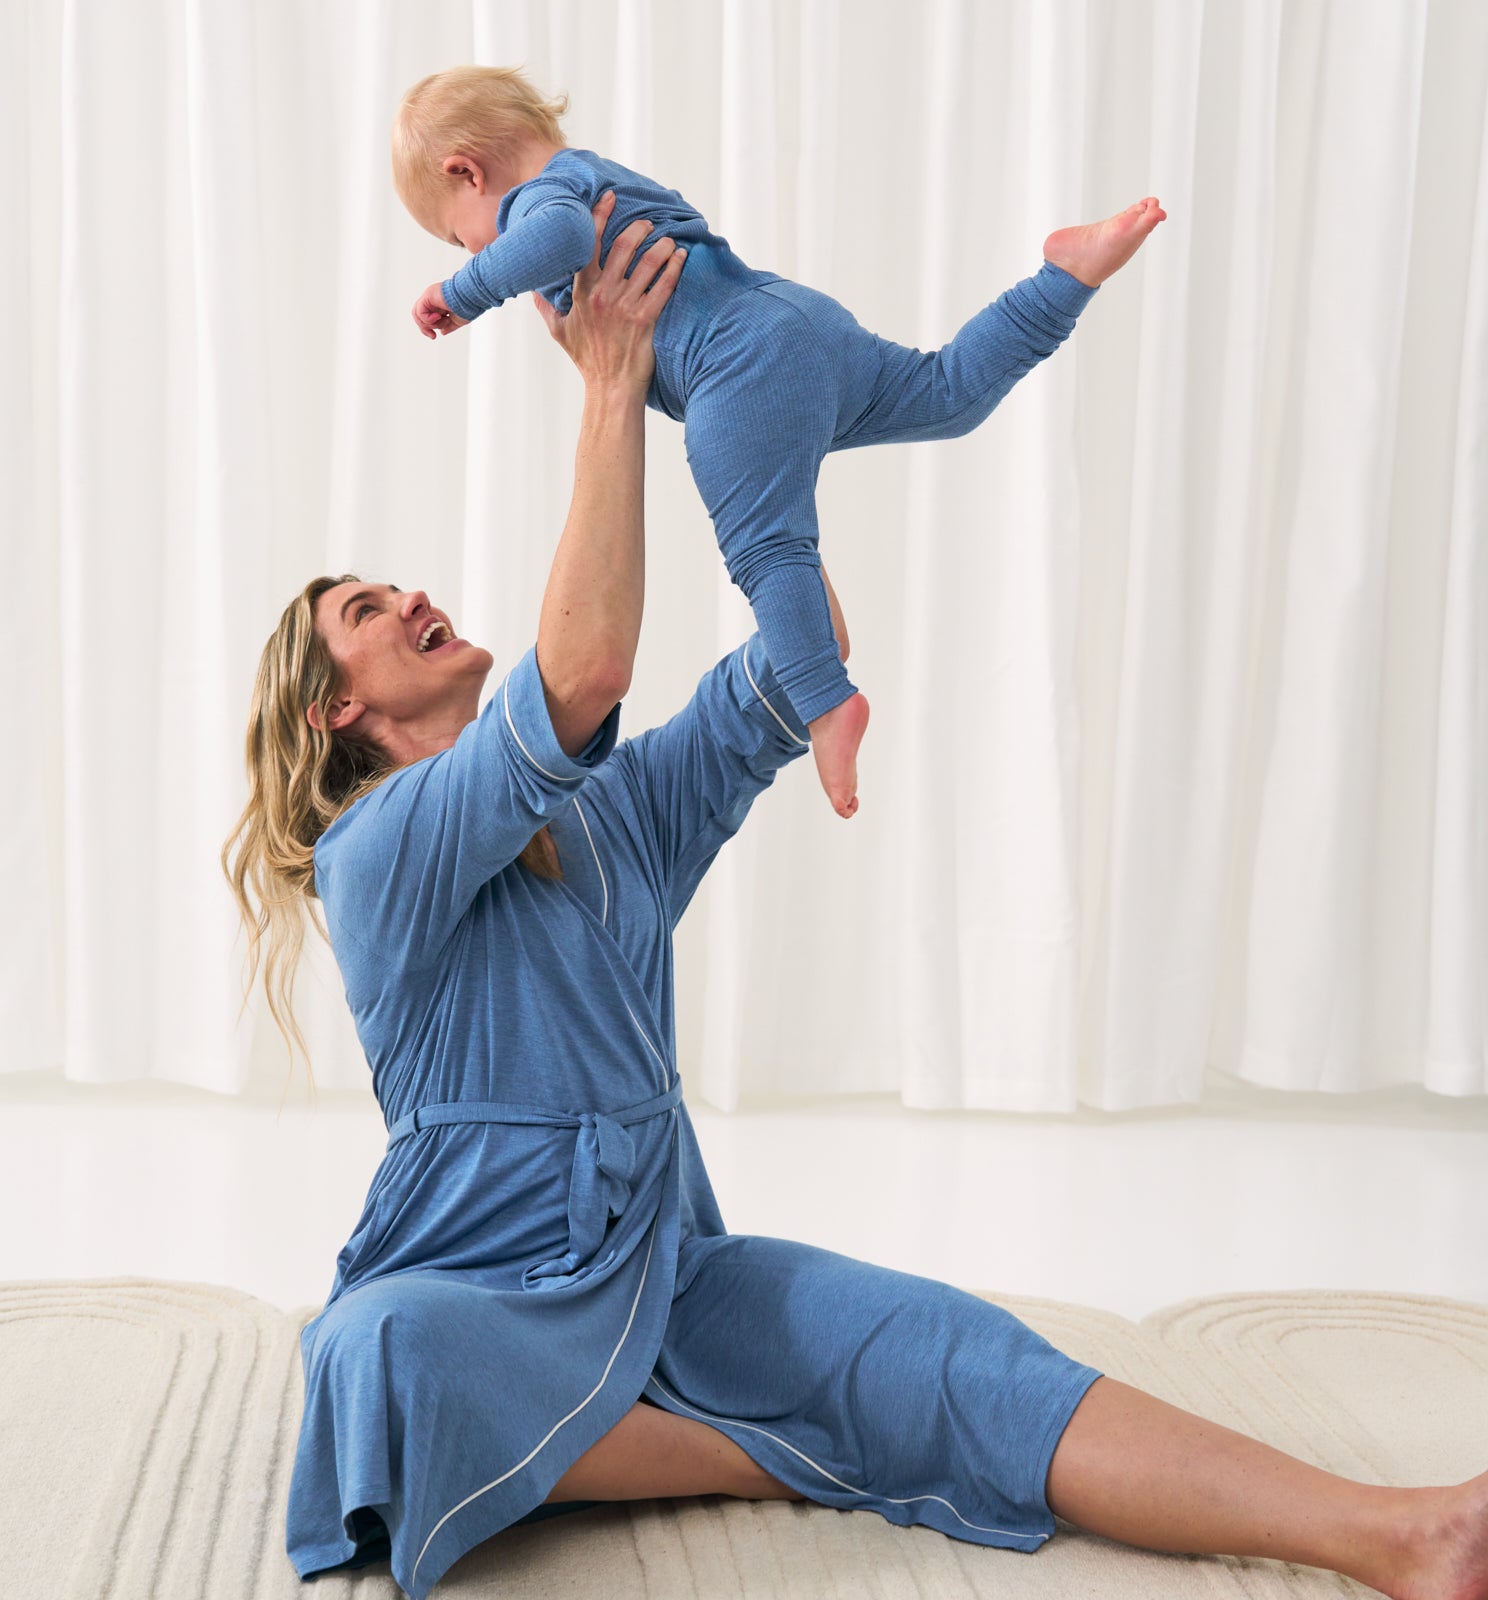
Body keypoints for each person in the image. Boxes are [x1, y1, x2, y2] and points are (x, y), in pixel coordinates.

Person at [224, 198, 1488, 1600]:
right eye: (365, 611)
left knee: (958, 1353)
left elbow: (801, 652)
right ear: (340, 706)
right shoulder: (375, 848)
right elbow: (579, 671)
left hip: (664, 1269)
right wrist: (612, 384)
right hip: (477, 1281)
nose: (409, 597)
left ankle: (1405, 1534)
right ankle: (745, 1453)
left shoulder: (614, 814)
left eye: (398, 583)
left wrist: (750, 396)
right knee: (375, 1354)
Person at [389, 63, 1166, 819]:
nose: (477, 256)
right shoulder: (593, 171)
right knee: (944, 393)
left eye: (462, 240)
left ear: (468, 173)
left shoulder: (543, 198)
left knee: (768, 549)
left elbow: (555, 237)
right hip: (793, 320)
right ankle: (1063, 280)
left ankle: (826, 706)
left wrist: (464, 292)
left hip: (734, 367)